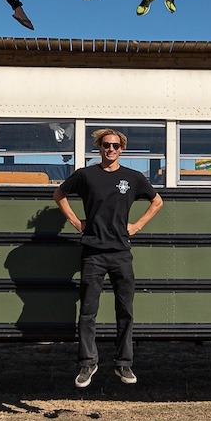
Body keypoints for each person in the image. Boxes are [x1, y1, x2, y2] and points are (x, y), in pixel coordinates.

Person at [53, 128, 163, 387]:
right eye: (105, 145)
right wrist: (74, 221)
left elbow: (157, 202)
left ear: (121, 148)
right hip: (93, 253)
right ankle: (88, 364)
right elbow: (59, 194)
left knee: (125, 311)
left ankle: (124, 365)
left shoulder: (133, 178)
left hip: (121, 254)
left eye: (115, 145)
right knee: (88, 312)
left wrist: (137, 226)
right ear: (99, 148)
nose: (110, 149)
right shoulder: (86, 175)